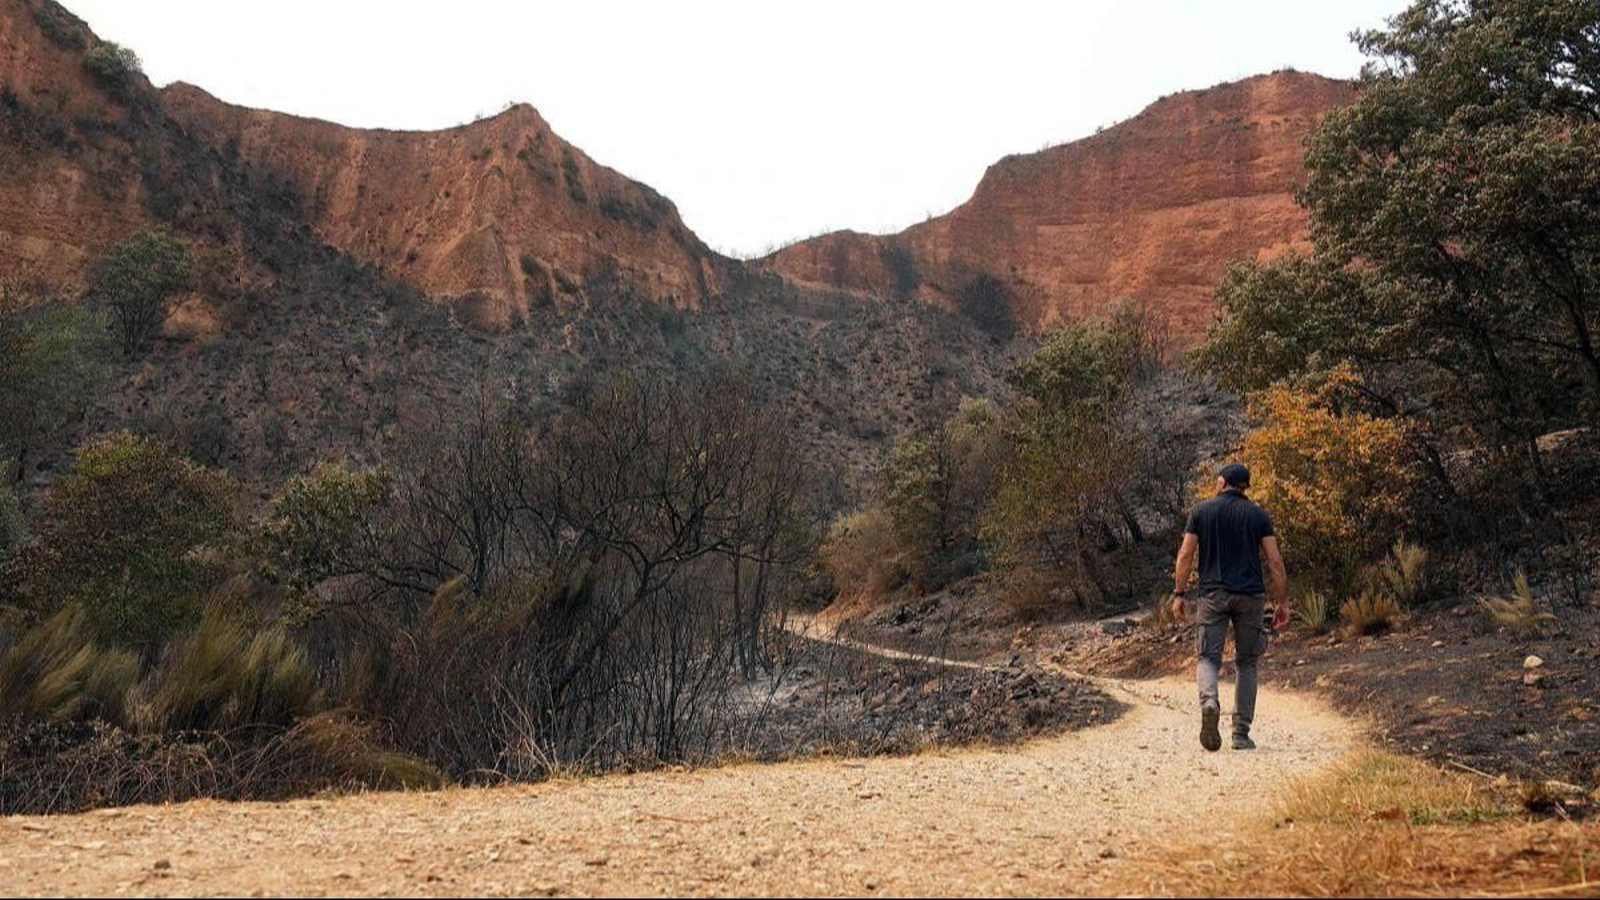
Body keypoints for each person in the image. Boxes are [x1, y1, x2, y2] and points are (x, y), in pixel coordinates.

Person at [1170, 462, 1288, 752]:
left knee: (1208, 658)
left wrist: (1179, 593)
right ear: (1244, 486)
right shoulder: (1258, 515)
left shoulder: (1201, 512)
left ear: (1222, 483)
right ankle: (1240, 734)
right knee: (1247, 662)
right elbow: (1274, 561)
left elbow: (1185, 554)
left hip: (1213, 595)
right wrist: (1282, 601)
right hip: (1251, 597)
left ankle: (1209, 702)